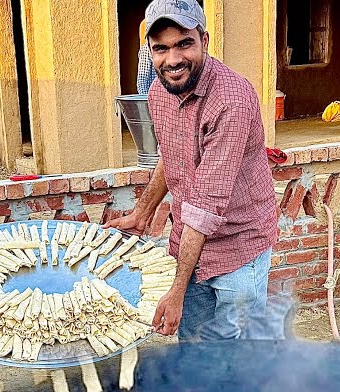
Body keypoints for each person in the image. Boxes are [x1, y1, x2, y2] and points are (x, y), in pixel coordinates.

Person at [107, 0, 291, 341]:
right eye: (161, 48)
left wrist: (175, 292)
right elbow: (172, 156)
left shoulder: (231, 99)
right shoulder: (160, 92)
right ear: (150, 51)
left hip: (239, 243)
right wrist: (141, 213)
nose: (173, 60)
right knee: (193, 346)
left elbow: (206, 205)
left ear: (203, 41)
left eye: (184, 43)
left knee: (235, 352)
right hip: (188, 242)